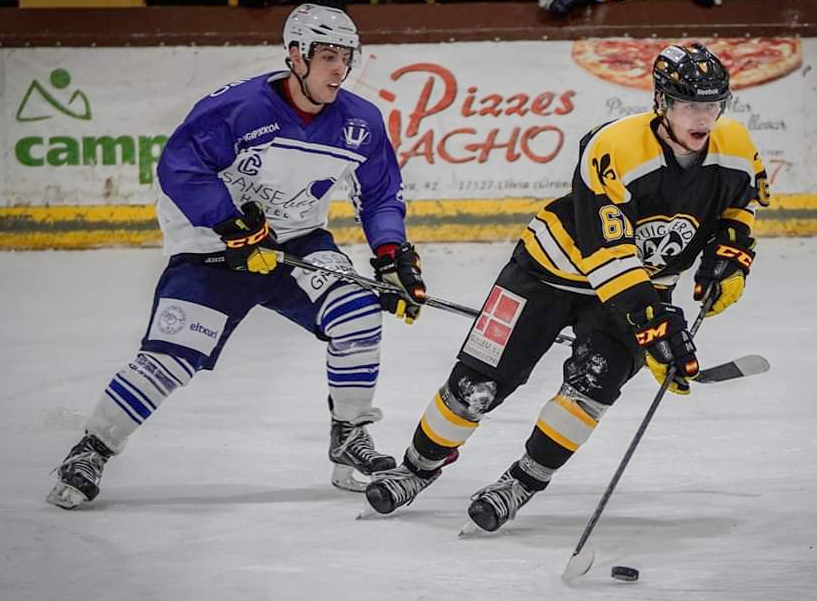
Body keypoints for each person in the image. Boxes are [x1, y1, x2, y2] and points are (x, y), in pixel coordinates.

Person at [363, 42, 768, 532]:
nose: (702, 117)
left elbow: (738, 208)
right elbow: (607, 254)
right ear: (661, 101)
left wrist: (730, 254)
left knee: (590, 389)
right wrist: (653, 325)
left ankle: (522, 482)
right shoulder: (614, 146)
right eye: (688, 104)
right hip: (545, 271)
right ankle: (417, 466)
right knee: (476, 385)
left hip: (641, 287)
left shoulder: (738, 147)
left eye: (711, 104)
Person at [46, 3, 427, 509]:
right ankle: (91, 449)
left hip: (297, 247)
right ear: (296, 55)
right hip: (213, 250)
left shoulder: (360, 122)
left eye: (346, 57)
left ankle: (349, 435)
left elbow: (379, 194)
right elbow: (181, 168)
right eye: (328, 56)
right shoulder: (238, 109)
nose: (339, 69)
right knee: (170, 359)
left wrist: (390, 256)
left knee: (356, 311)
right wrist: (228, 222)